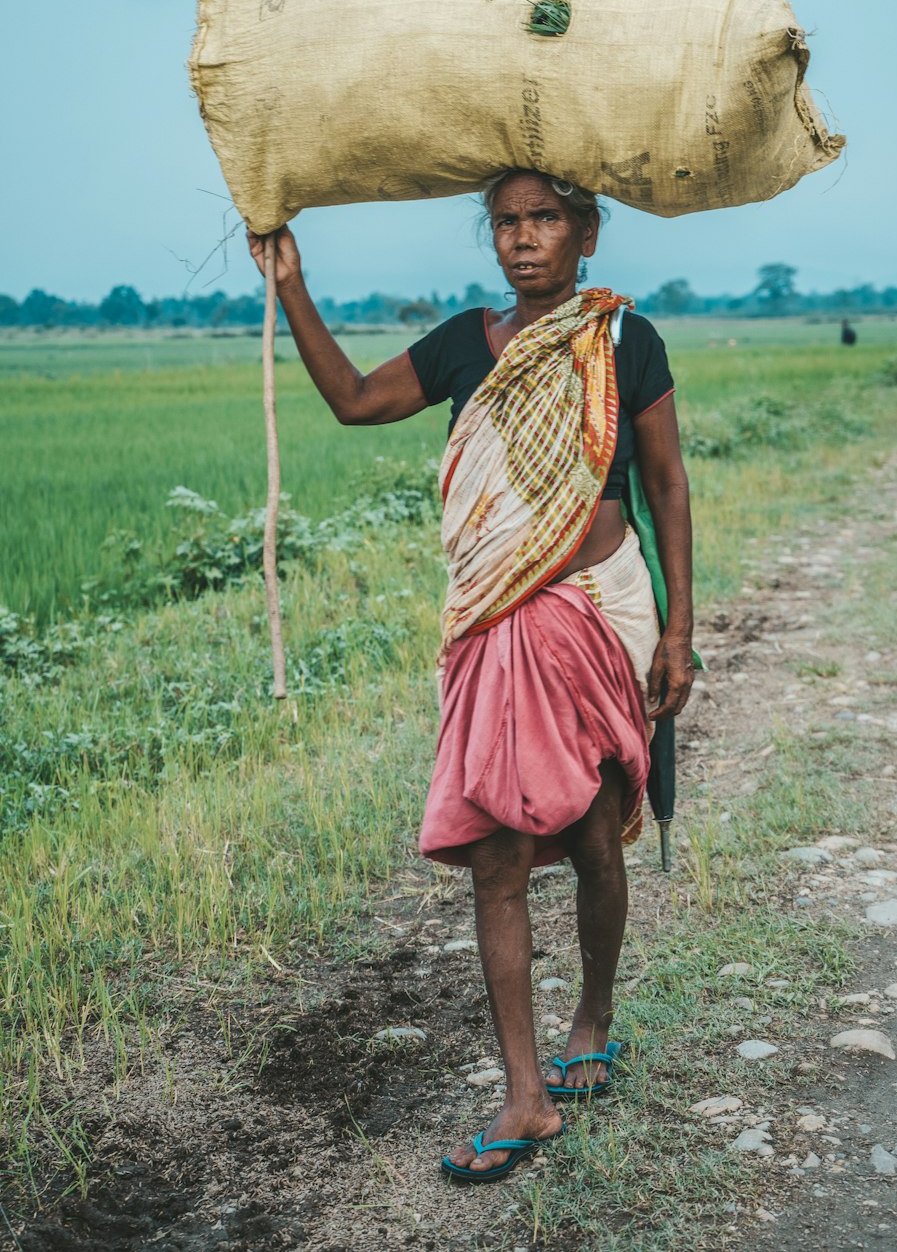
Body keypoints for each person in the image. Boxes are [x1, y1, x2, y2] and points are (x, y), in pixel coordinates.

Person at [248, 169, 694, 1183]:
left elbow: (665, 483)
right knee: (497, 850)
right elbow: (357, 402)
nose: (522, 239)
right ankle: (524, 1096)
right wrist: (292, 286)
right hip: (498, 621)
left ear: (586, 232)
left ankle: (593, 1014)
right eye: (506, 222)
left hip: (601, 610)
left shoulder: (624, 341)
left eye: (544, 219)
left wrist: (680, 632)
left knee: (593, 833)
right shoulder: (465, 342)